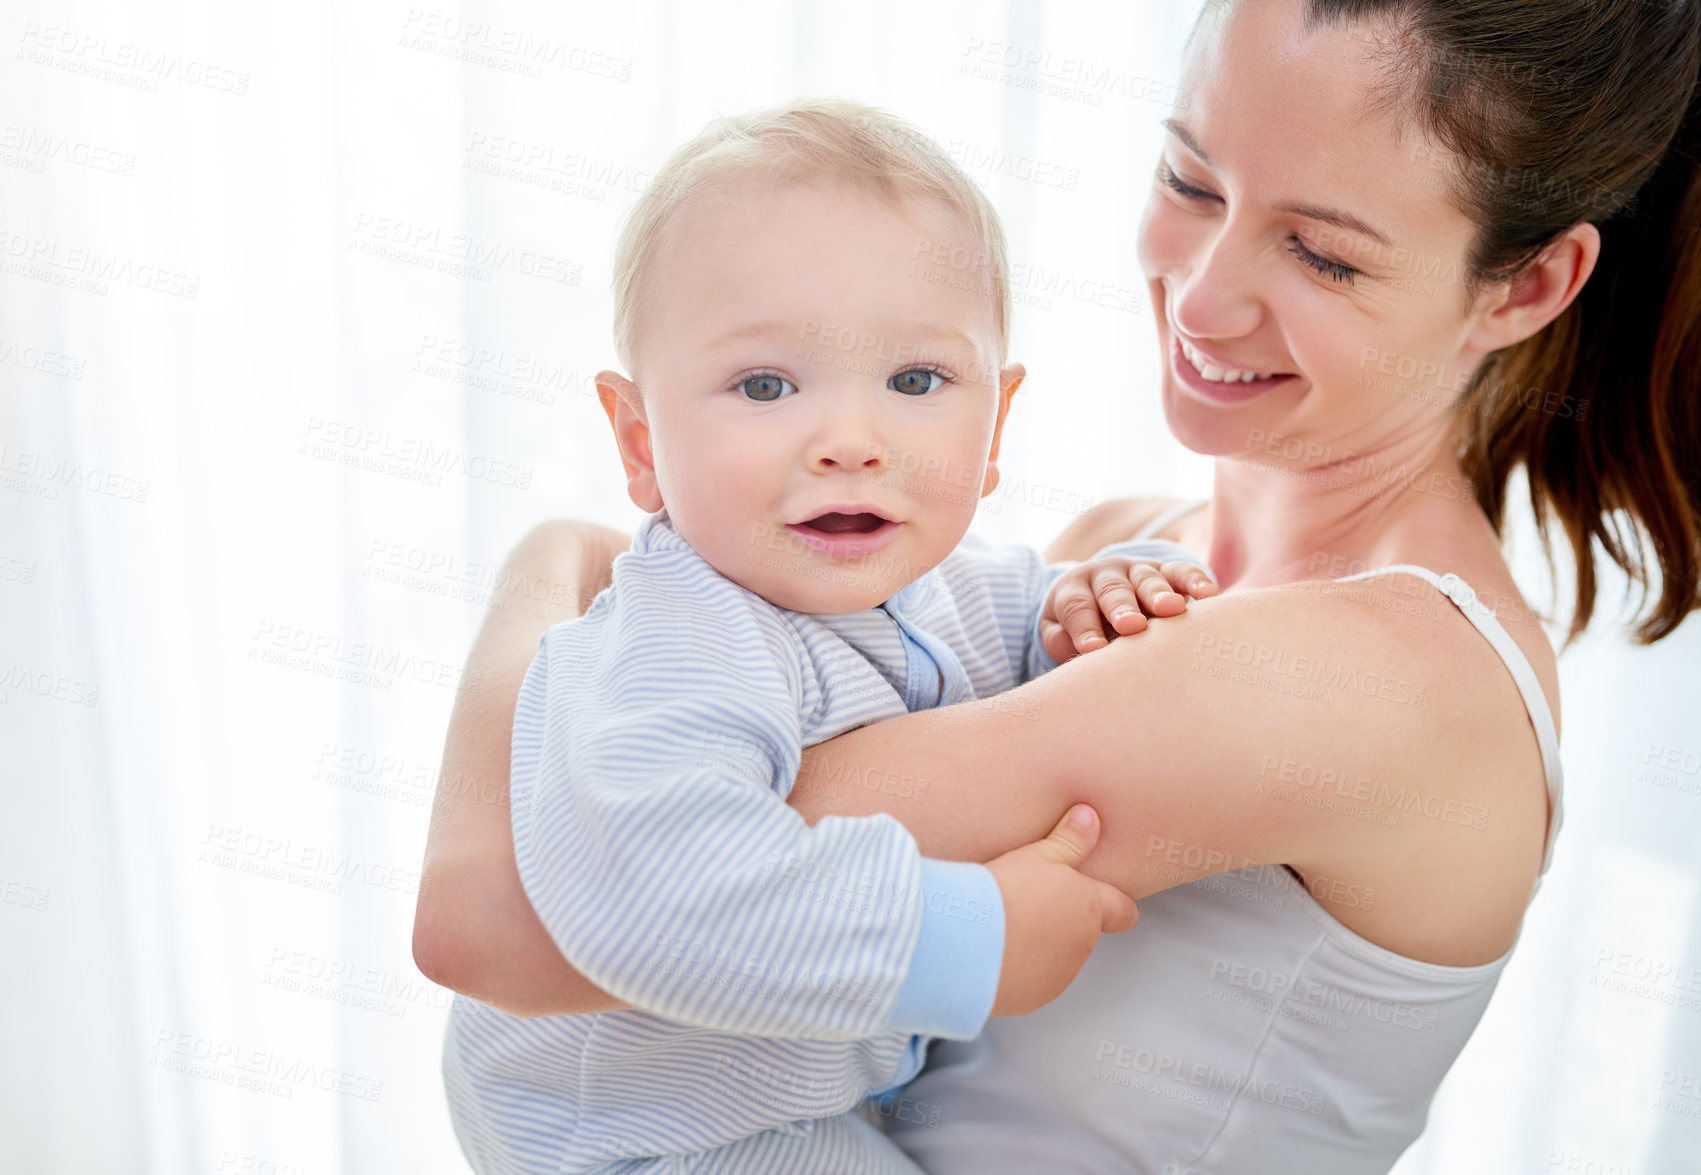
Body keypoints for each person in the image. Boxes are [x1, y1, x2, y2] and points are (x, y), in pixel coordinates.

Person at [415, 0, 1701, 1170]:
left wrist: (555, 566)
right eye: (1190, 179)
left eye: (1322, 256)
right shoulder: (1115, 554)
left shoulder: (1360, 676)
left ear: (1526, 285)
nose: (1201, 295)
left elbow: (513, 911)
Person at [433, 98, 1215, 1175]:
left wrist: (1098, 597)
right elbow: (661, 896)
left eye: (916, 381)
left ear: (996, 424)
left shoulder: (951, 585)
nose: (851, 439)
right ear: (641, 439)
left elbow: (1022, 634)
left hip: (792, 1110)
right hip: (643, 1138)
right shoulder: (674, 641)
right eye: (765, 385)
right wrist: (972, 933)